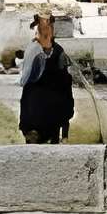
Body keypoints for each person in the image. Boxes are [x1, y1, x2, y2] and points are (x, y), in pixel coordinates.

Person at [18, 10, 77, 144]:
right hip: (34, 111)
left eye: (49, 27)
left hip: (53, 111)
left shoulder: (58, 51)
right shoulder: (33, 50)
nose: (46, 31)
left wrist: (65, 132)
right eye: (42, 28)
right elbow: (26, 80)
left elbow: (65, 84)